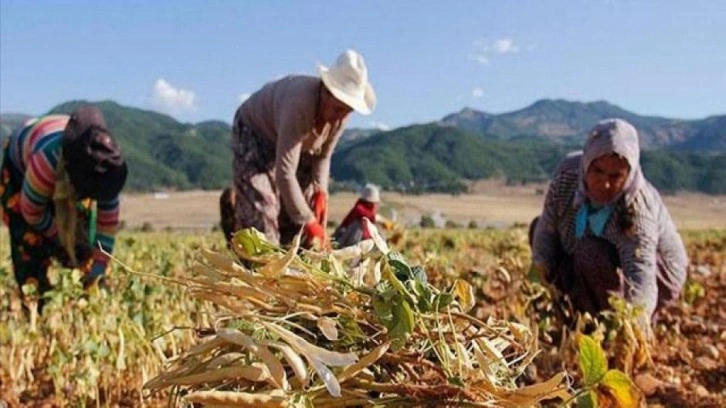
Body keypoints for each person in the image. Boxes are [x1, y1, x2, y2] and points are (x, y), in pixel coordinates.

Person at [530, 118, 687, 329]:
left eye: (615, 176)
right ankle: (575, 314)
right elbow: (547, 229)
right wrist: (539, 279)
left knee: (591, 252)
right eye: (598, 172)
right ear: (586, 164)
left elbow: (641, 276)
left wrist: (633, 326)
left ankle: (605, 325)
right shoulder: (567, 177)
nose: (604, 183)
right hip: (596, 257)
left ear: (629, 174)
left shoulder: (637, 209)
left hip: (659, 273)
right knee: (538, 229)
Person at [220, 49, 376, 248]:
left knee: (302, 205)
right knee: (263, 207)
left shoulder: (340, 115)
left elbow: (322, 157)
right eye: (338, 109)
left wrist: (321, 192)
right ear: (326, 92)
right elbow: (285, 174)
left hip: (294, 143)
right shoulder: (299, 106)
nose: (341, 117)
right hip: (255, 132)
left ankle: (289, 260)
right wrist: (308, 221)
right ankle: (250, 248)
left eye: (347, 112)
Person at [1, 106, 127, 311]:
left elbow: (106, 228)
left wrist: (97, 270)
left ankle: (83, 294)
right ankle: (36, 305)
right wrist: (59, 238)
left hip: (69, 162)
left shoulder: (108, 166)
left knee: (83, 239)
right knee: (29, 240)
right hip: (20, 169)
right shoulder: (46, 160)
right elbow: (31, 212)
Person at [333, 183, 384, 247]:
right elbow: (362, 213)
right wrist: (376, 218)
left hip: (360, 241)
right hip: (346, 237)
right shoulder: (359, 208)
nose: (375, 206)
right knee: (359, 225)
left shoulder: (369, 212)